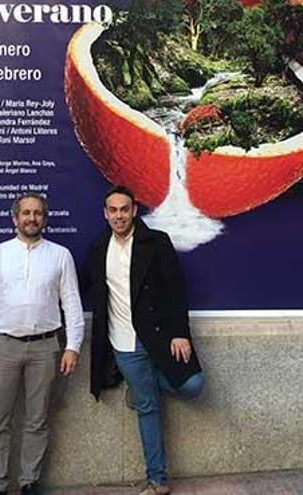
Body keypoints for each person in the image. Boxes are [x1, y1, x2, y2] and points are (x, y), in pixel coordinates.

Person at [87, 185, 204, 495]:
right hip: (123, 342)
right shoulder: (99, 248)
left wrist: (180, 332)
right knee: (149, 409)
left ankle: (142, 389)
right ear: (105, 214)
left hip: (160, 337)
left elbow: (176, 290)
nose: (119, 215)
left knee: (193, 385)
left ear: (134, 210)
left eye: (124, 209)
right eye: (113, 210)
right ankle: (157, 480)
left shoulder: (156, 243)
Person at [0, 193, 84, 495]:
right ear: (15, 218)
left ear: (45, 219)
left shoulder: (60, 255)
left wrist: (73, 346)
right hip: (4, 346)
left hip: (46, 348)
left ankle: (30, 482)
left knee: (38, 419)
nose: (31, 218)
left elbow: (71, 304)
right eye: (26, 213)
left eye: (37, 213)